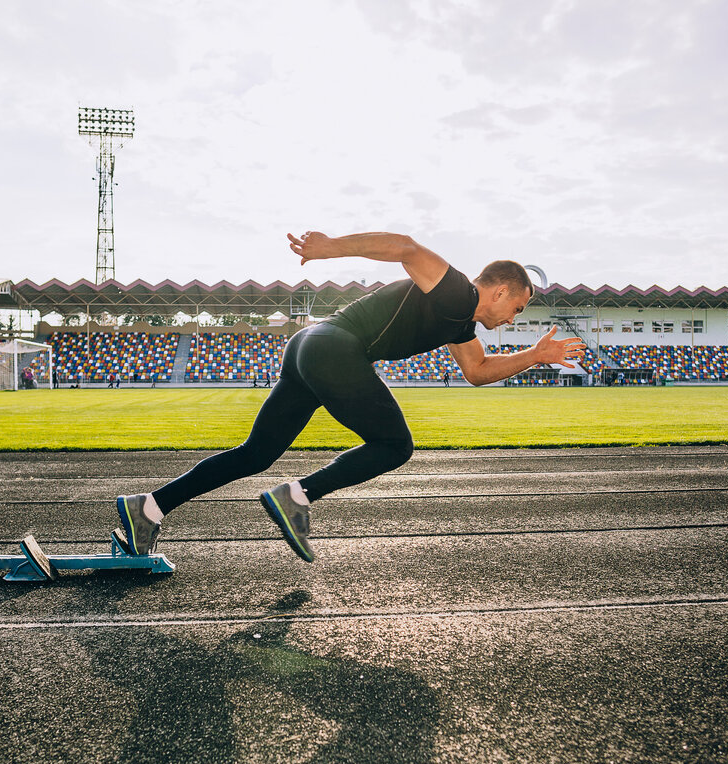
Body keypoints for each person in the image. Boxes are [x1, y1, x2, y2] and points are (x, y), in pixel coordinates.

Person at [114, 230, 585, 563]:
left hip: (310, 346)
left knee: (256, 453)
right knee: (394, 446)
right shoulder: (458, 290)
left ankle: (148, 508)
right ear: (500, 290)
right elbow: (405, 247)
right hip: (333, 348)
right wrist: (329, 248)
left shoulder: (459, 319)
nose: (513, 318)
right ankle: (297, 497)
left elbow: (478, 372)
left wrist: (534, 356)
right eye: (517, 308)